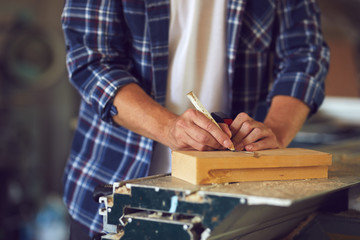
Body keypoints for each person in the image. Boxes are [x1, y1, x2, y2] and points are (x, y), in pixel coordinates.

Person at [61, 0, 330, 238]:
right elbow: (92, 60)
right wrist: (168, 128)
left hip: (235, 202)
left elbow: (305, 54)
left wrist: (275, 132)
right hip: (117, 179)